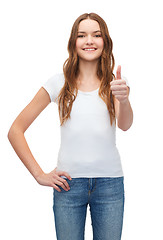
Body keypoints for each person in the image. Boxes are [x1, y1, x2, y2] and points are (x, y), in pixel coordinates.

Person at [8, 12, 133, 240]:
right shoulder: (59, 83)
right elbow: (15, 130)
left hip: (110, 185)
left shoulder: (115, 84)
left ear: (105, 41)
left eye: (96, 35)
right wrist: (38, 175)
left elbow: (125, 125)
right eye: (82, 35)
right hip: (68, 186)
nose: (89, 41)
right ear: (73, 42)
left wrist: (124, 99)